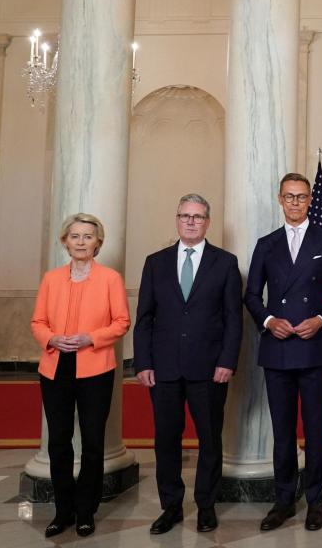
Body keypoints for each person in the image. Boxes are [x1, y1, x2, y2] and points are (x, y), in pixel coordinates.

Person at [245, 173, 322, 531]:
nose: (295, 203)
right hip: (277, 347)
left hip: (314, 348)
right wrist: (268, 319)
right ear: (280, 199)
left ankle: (315, 502)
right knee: (282, 431)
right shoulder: (266, 244)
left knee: (316, 428)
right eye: (289, 197)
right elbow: (251, 295)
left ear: (310, 201)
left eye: (301, 197)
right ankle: (283, 500)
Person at [134, 194, 242, 534]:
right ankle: (171, 506)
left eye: (197, 216)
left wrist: (227, 361)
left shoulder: (225, 263)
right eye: (184, 216)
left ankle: (206, 505)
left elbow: (233, 319)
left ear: (208, 222)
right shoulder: (155, 262)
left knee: (210, 438)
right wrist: (142, 362)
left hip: (209, 369)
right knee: (166, 439)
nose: (191, 221)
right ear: (177, 220)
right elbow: (145, 319)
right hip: (163, 368)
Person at [30, 213, 130, 538]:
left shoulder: (110, 279)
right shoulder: (50, 279)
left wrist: (91, 338)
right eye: (75, 236)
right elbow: (37, 322)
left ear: (98, 243)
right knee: (58, 441)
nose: (81, 242)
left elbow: (121, 322)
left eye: (88, 236)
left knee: (92, 442)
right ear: (65, 241)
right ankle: (63, 511)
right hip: (55, 367)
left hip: (95, 368)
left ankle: (86, 511)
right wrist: (51, 338)